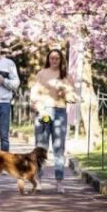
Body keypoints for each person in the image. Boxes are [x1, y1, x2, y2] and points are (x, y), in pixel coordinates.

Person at [29, 48, 78, 194]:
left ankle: (59, 181)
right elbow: (34, 95)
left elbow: (73, 97)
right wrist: (38, 108)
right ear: (48, 59)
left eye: (57, 58)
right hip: (44, 112)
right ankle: (38, 180)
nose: (54, 60)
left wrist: (64, 94)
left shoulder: (66, 76)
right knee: (40, 147)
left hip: (59, 112)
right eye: (52, 58)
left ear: (61, 60)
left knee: (59, 147)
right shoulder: (41, 73)